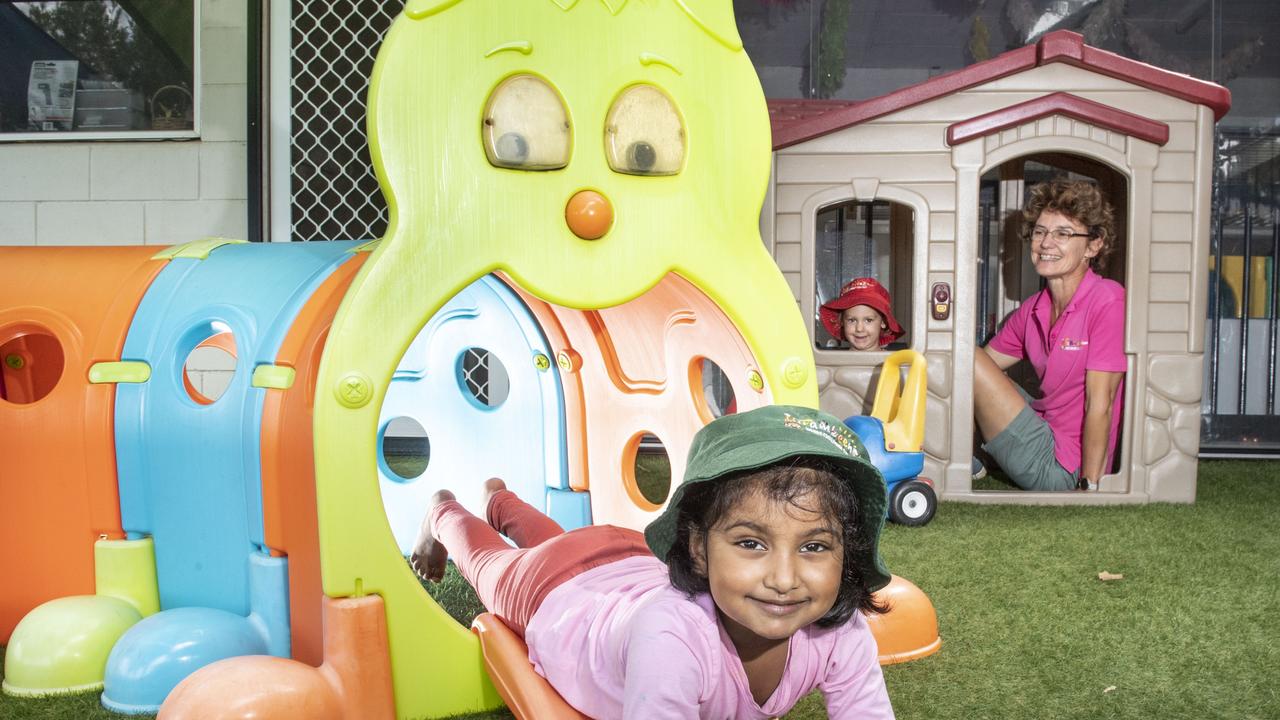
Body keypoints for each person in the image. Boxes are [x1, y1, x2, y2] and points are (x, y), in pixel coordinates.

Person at [411, 404, 895, 719]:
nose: (786, 579)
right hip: (559, 590)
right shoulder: (671, 636)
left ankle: (500, 500)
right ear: (699, 549)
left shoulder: (839, 629)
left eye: (813, 546)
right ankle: (443, 509)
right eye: (751, 543)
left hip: (628, 558)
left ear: (845, 554)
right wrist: (443, 517)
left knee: (554, 539)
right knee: (487, 563)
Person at [973, 179, 1126, 491]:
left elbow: (1102, 403)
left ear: (1093, 245)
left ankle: (967, 459)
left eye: (1063, 233)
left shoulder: (1108, 300)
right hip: (1042, 428)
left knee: (963, 355)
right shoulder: (1033, 310)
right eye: (1040, 232)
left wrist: (1090, 486)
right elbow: (975, 372)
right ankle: (964, 458)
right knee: (958, 357)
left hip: (1064, 466)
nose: (1045, 243)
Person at [819, 277, 905, 351]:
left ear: (884, 322)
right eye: (852, 320)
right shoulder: (834, 362)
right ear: (841, 321)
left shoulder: (892, 362)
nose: (859, 329)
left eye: (868, 320)